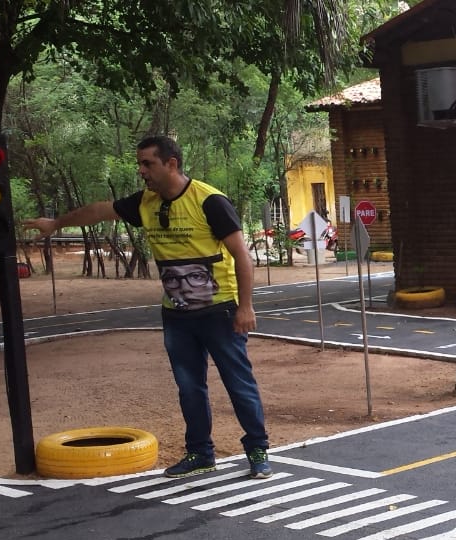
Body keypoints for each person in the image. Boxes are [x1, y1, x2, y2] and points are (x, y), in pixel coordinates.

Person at [23, 136, 272, 480]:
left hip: (219, 312)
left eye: (147, 164)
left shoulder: (209, 201)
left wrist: (245, 307)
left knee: (237, 382)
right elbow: (100, 210)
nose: (141, 171)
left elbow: (243, 257)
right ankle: (200, 453)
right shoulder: (146, 202)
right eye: (140, 164)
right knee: (189, 387)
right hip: (177, 316)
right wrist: (56, 224)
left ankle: (257, 449)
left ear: (171, 164)